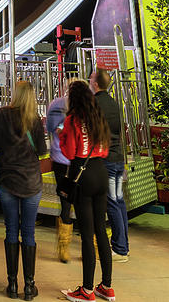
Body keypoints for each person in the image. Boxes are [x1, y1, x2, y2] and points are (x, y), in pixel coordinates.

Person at [59, 80, 114, 302]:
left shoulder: (73, 120)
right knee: (101, 231)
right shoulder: (97, 118)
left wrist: (61, 136)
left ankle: (87, 290)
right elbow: (106, 147)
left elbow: (70, 152)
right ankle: (107, 287)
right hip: (101, 173)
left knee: (87, 234)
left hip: (83, 176)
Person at [0, 81, 47, 300]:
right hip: (31, 182)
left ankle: (12, 284)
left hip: (7, 179)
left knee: (11, 230)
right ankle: (30, 287)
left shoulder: (1, 115)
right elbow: (41, 151)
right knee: (29, 232)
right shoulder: (35, 120)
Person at [91, 68, 129, 262]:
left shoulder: (95, 104)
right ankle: (124, 244)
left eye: (91, 79)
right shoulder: (114, 103)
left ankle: (120, 248)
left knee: (112, 202)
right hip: (118, 157)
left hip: (106, 157)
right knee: (119, 201)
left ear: (96, 83)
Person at [46, 79, 81, 262]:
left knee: (65, 202)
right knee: (83, 203)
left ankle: (64, 249)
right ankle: (88, 248)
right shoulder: (83, 110)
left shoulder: (54, 105)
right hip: (79, 161)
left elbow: (50, 129)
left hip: (59, 159)